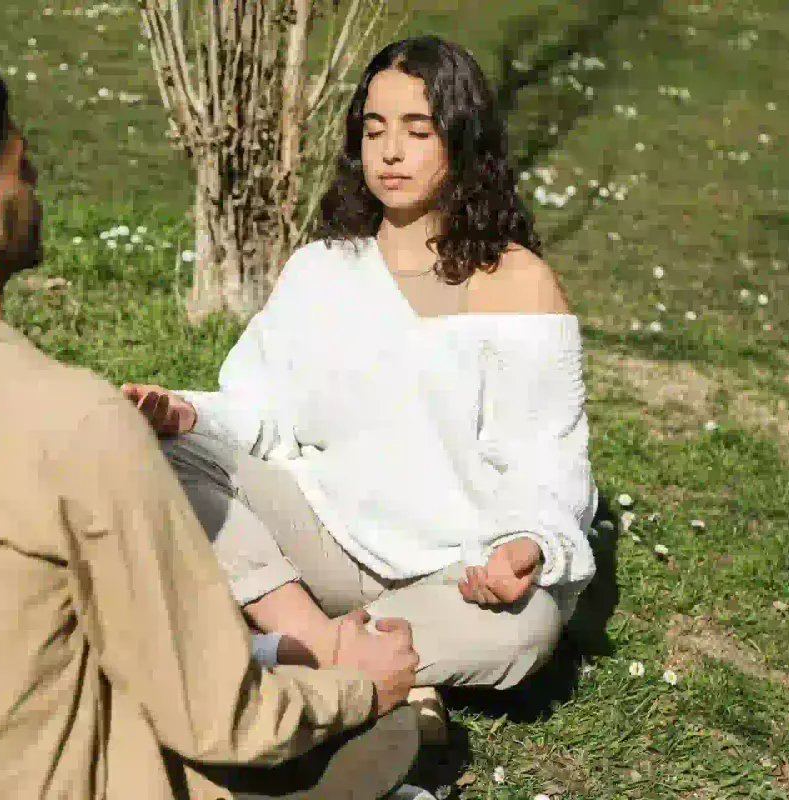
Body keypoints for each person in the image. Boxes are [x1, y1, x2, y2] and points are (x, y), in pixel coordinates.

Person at [0, 53, 425, 799]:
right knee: (390, 731)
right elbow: (221, 718)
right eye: (21, 169)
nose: (36, 186)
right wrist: (358, 688)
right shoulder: (74, 425)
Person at [123, 35, 598, 721]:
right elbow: (259, 412)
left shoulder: (519, 284)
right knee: (154, 455)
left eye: (417, 130)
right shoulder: (323, 267)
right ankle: (334, 652)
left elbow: (548, 463)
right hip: (318, 534)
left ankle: (285, 653)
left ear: (463, 142)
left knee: (527, 627)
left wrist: (526, 546)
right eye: (374, 129)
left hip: (450, 573)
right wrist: (186, 417)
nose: (391, 151)